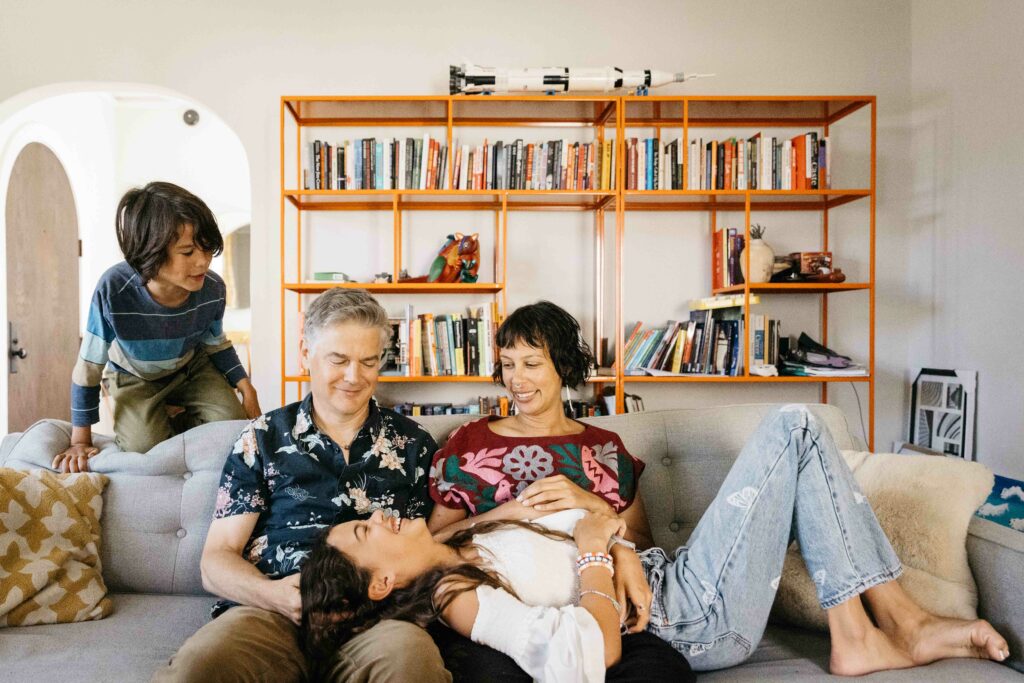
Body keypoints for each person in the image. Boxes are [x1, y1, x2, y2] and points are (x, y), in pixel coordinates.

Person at [300, 406, 1011, 681]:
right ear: (379, 585)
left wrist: (617, 548)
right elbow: (589, 650)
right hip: (693, 617)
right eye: (367, 532)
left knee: (799, 430)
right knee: (793, 424)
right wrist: (591, 548)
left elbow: (606, 527)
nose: (385, 516)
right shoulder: (459, 601)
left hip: (674, 576)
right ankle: (899, 624)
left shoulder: (463, 544)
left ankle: (869, 630)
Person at [151, 288, 449, 683]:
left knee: (412, 665)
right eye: (338, 360)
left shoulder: (414, 445)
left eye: (368, 361)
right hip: (268, 611)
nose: (354, 376)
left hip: (378, 624)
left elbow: (431, 548)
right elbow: (216, 560)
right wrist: (275, 596)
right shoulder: (262, 438)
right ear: (306, 354)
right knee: (199, 668)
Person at [424, 300, 686, 679]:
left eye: (531, 364)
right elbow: (434, 544)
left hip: (596, 606)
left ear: (563, 366)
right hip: (499, 614)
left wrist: (589, 501)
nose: (517, 379)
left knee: (663, 672)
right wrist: (503, 513)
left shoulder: (605, 448)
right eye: (509, 364)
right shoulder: (469, 444)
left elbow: (643, 546)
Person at [54, 181, 260, 471]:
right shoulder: (114, 290)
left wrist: (246, 388)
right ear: (148, 251)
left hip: (192, 370)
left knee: (233, 430)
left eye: (206, 248)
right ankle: (161, 417)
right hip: (134, 376)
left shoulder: (213, 288)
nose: (202, 261)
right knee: (143, 447)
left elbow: (216, 343)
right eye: (188, 252)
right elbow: (89, 366)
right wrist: (80, 440)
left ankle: (177, 417)